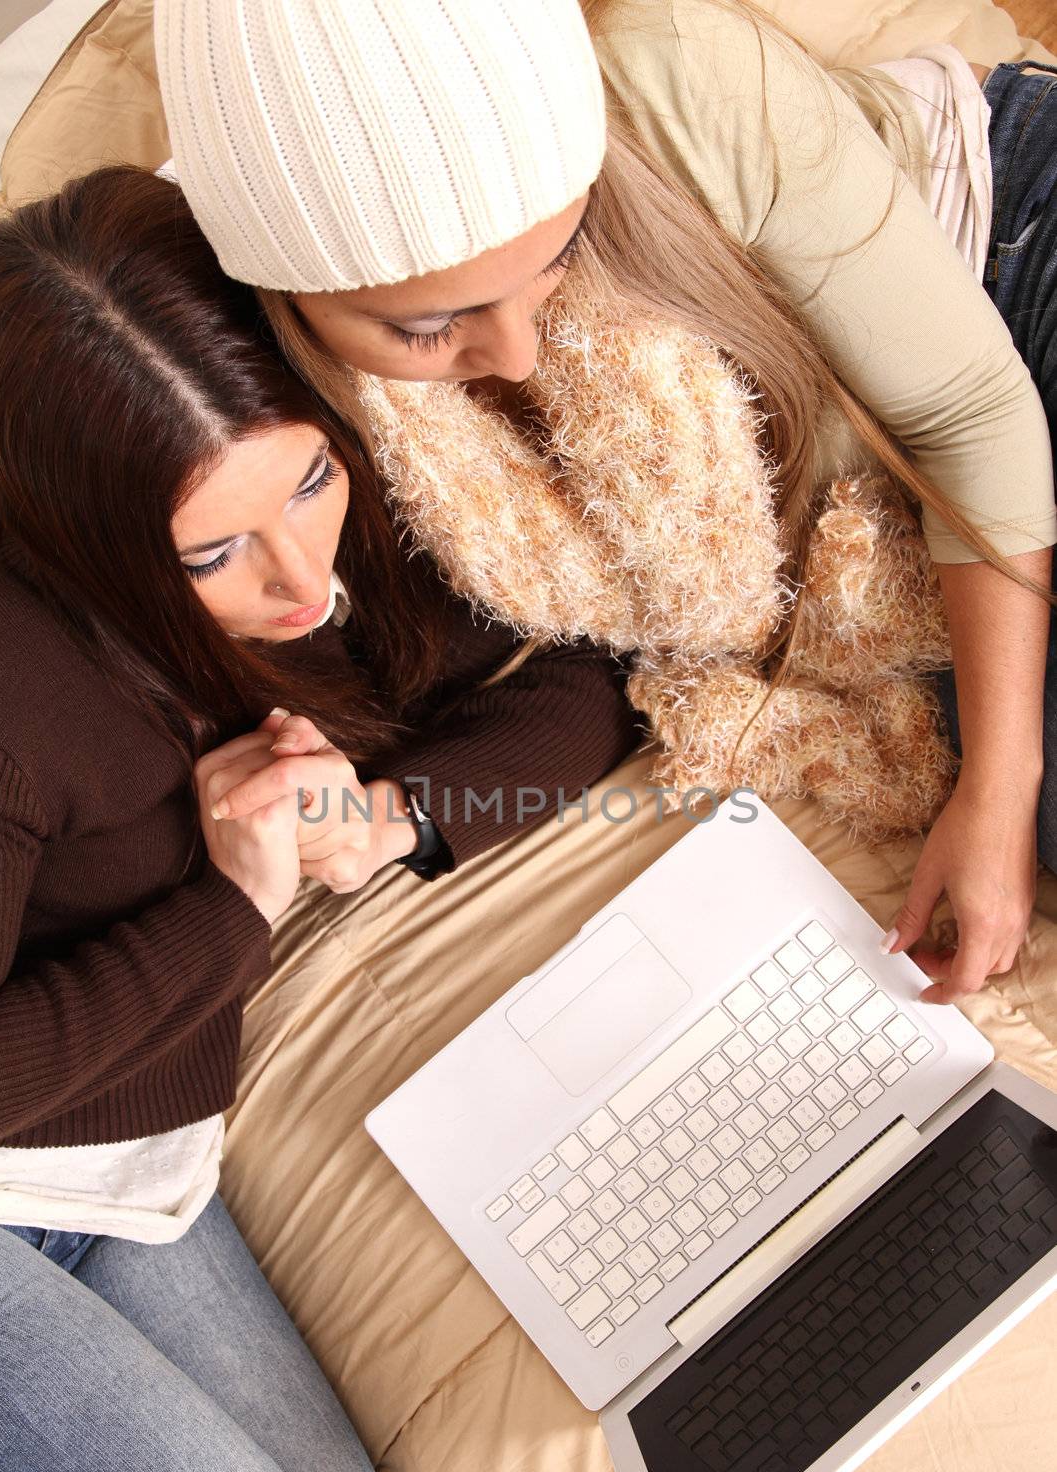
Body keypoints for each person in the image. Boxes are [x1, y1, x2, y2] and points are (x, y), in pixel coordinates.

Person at [0, 164, 640, 1472]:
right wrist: (232, 907)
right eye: (213, 554)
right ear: (90, 545)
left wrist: (400, 819)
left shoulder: (332, 496)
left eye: (309, 482)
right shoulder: (14, 683)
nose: (301, 581)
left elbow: (596, 680)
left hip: (116, 1177)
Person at [154, 0, 1057, 1007]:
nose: (516, 356)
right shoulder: (236, 379)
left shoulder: (678, 73)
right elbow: (576, 670)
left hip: (1003, 251)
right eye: (429, 326)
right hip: (868, 530)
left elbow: (967, 415)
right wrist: (378, 817)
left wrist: (998, 786)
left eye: (556, 257)